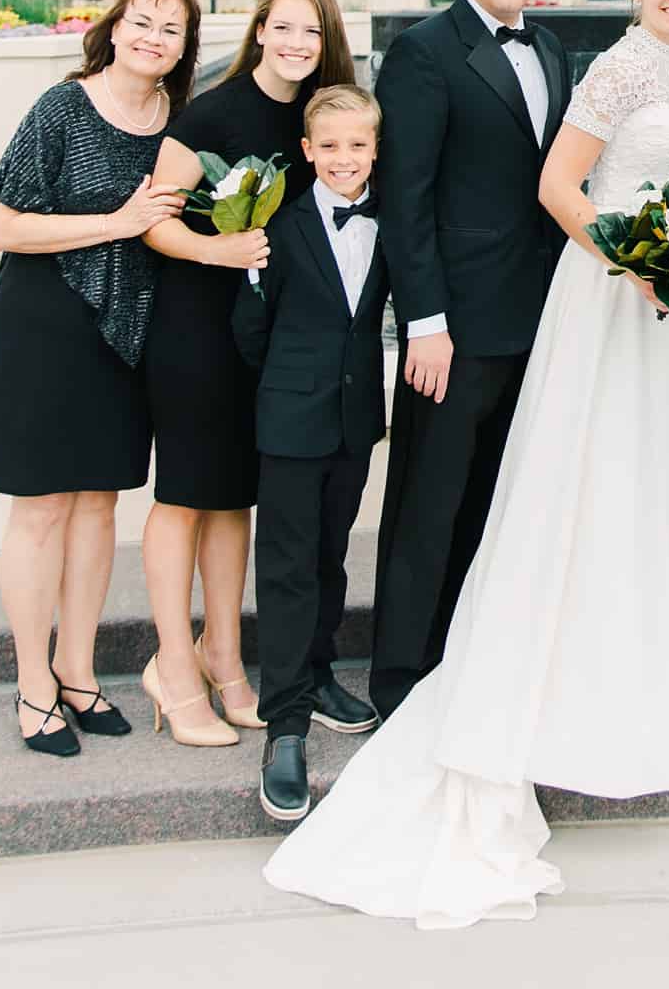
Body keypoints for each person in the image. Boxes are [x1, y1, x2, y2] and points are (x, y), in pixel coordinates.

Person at [263, 0, 669, 927]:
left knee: (618, 485)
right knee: (445, 503)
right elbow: (456, 191)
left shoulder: (575, 54)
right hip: (540, 303)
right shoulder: (466, 55)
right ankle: (409, 683)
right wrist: (437, 316)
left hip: (610, 306)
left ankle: (649, 658)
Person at [0, 0, 201, 752]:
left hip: (126, 334)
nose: (153, 38)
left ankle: (78, 671)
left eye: (170, 30)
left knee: (100, 505)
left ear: (182, 49)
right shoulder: (62, 107)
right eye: (142, 21)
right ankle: (32, 684)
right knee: (41, 507)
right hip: (44, 326)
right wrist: (115, 222)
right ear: (115, 26)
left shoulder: (181, 124)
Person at [140, 0, 356, 747]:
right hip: (195, 328)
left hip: (267, 341)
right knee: (186, 497)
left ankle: (225, 658)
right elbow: (155, 222)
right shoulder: (214, 111)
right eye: (285, 27)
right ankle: (171, 663)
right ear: (259, 29)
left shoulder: (323, 119)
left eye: (313, 32)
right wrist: (215, 248)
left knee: (234, 500)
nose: (298, 44)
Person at [367, 0, 570, 719]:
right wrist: (423, 322)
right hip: (452, 331)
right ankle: (399, 680)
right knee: (428, 503)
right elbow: (404, 200)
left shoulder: (552, 47)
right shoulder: (422, 52)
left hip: (537, 325)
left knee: (497, 502)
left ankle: (467, 660)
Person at [233, 84, 389, 824]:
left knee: (330, 555)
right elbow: (250, 330)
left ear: (375, 151)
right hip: (290, 420)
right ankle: (285, 723)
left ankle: (321, 673)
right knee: (289, 566)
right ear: (307, 152)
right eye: (329, 147)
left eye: (357, 146)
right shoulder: (278, 226)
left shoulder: (390, 221)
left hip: (354, 420)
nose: (344, 159)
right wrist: (288, 391)